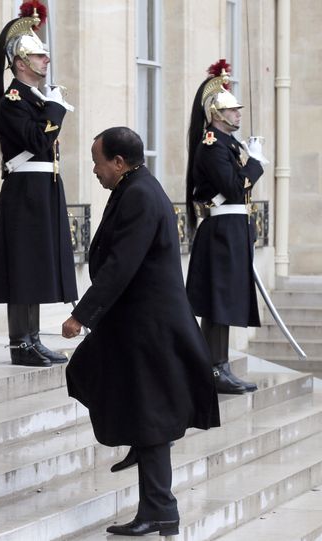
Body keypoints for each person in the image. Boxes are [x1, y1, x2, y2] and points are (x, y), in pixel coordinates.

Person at [62, 127, 220, 536]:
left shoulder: (139, 195)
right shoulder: (136, 187)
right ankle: (137, 439)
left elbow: (122, 263)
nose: (94, 170)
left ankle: (160, 510)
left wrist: (82, 315)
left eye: (98, 162)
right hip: (133, 322)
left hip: (147, 325)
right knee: (86, 374)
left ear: (118, 162)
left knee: (149, 416)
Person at [0, 1, 78, 367]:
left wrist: (49, 107)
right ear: (21, 63)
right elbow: (38, 142)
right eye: (39, 57)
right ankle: (19, 343)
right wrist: (55, 111)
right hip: (24, 192)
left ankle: (33, 338)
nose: (46, 61)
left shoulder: (36, 100)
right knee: (23, 265)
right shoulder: (13, 101)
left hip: (42, 190)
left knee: (37, 264)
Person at [185, 60, 267, 395]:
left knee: (226, 302)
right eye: (232, 111)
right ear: (217, 114)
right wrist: (257, 164)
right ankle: (214, 368)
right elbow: (234, 188)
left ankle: (220, 365)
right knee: (218, 305)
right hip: (221, 232)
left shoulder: (229, 145)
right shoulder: (211, 144)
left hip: (233, 229)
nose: (238, 115)